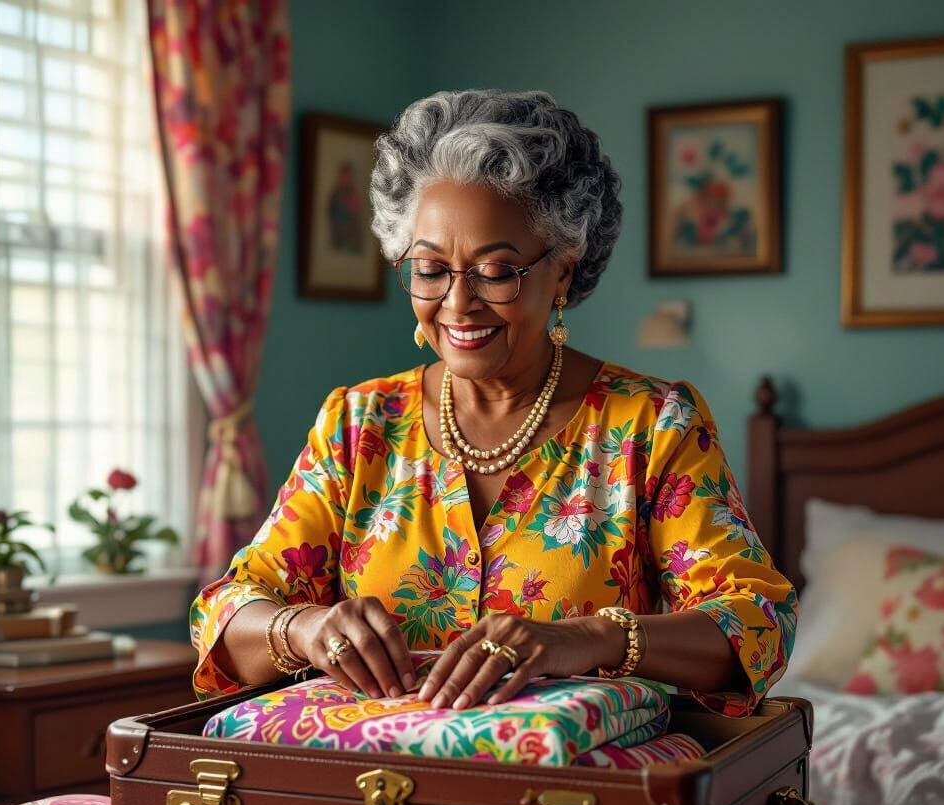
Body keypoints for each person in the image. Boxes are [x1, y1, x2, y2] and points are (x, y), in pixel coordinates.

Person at [190, 88, 797, 720]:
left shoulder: (651, 425)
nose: (458, 303)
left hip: (568, 801)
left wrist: (586, 638)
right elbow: (226, 611)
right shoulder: (358, 424)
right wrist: (306, 629)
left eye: (496, 270)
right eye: (429, 269)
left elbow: (757, 622)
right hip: (366, 792)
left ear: (563, 268)